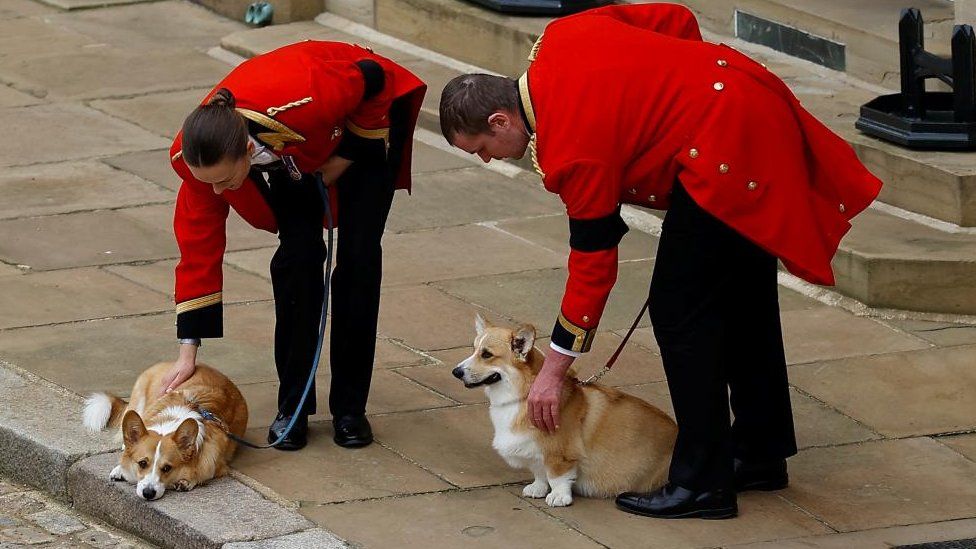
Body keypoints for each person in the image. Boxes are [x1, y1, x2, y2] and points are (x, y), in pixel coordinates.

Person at [439, 3, 881, 519]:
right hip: (746, 100)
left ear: (500, 118)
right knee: (743, 299)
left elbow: (594, 265)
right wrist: (683, 88)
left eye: (484, 148)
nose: (489, 159)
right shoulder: (561, 36)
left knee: (680, 315)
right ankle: (760, 451)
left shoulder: (571, 149)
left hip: (723, 153)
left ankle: (703, 482)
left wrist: (553, 370)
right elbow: (673, 18)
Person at [164, 40, 426, 451]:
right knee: (297, 262)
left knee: (358, 260)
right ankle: (294, 407)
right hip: (294, 155)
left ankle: (350, 410)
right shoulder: (197, 158)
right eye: (207, 180)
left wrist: (346, 157)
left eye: (222, 179)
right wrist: (187, 351)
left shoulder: (309, 95)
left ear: (247, 151)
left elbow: (375, 80)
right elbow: (197, 250)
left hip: (361, 129)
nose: (215, 190)